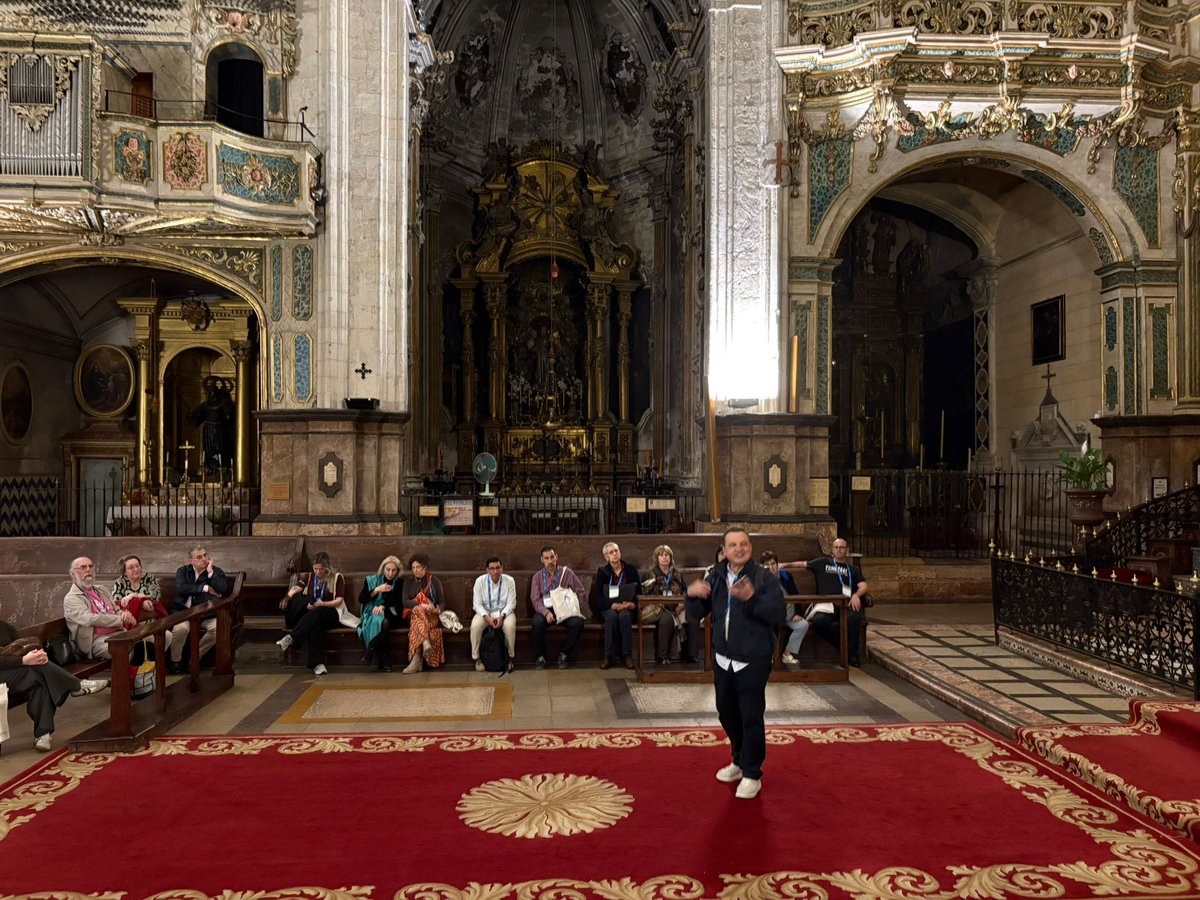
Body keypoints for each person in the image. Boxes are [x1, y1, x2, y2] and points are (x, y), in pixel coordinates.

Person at [686, 527, 785, 800]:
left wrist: (751, 598)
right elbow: (697, 613)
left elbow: (777, 614)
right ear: (725, 549)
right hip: (723, 659)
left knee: (751, 716)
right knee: (725, 712)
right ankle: (739, 760)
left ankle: (752, 773)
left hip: (752, 660)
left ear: (750, 547)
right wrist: (692, 594)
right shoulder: (716, 574)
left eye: (743, 544)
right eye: (733, 545)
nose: (739, 549)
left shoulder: (764, 577)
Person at [1, 599, 107, 752]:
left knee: (40, 680)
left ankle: (43, 734)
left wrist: (36, 655)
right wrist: (24, 660)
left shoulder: (6, 628)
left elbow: (21, 648)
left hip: (17, 674)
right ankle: (75, 686)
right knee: (35, 671)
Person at [791, 538, 868, 667]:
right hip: (826, 605)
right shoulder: (823, 563)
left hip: (845, 605)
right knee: (820, 621)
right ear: (832, 550)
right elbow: (801, 564)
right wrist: (781, 565)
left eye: (842, 547)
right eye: (836, 547)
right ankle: (845, 648)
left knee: (854, 618)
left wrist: (856, 595)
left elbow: (864, 586)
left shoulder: (853, 569)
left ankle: (853, 656)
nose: (839, 550)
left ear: (847, 550)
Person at [276, 552, 356, 676]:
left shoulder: (337, 577)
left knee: (318, 612)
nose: (318, 572)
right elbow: (296, 588)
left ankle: (293, 637)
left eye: (321, 569)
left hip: (332, 613)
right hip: (314, 615)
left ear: (327, 568)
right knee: (315, 626)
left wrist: (322, 604)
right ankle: (318, 665)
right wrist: (287, 597)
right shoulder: (309, 577)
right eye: (315, 569)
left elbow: (339, 601)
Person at [169, 545, 227, 674]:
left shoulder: (216, 572)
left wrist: (211, 572)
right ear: (191, 561)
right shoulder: (183, 571)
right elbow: (181, 588)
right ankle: (175, 661)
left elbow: (222, 589)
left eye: (205, 555)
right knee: (180, 629)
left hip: (207, 615)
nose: (204, 559)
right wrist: (205, 588)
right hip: (184, 613)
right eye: (199, 557)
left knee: (218, 628)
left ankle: (194, 659)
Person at [529, 546, 589, 669]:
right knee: (537, 623)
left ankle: (563, 654)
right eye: (546, 558)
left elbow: (581, 591)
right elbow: (535, 599)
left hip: (563, 609)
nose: (550, 561)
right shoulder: (537, 577)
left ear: (556, 557)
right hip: (546, 610)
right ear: (542, 560)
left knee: (578, 623)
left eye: (552, 557)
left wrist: (576, 609)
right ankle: (541, 657)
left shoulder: (567, 573)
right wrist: (546, 613)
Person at [64, 556, 135, 660]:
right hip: (95, 641)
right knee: (123, 649)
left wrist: (123, 614)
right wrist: (120, 619)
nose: (88, 570)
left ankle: (148, 675)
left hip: (118, 633)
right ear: (73, 574)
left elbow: (116, 610)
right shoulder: (71, 598)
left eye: (90, 566)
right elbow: (90, 619)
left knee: (151, 639)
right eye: (83, 567)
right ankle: (129, 676)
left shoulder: (101, 589)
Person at [643, 543, 701, 666]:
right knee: (666, 619)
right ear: (656, 558)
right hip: (660, 608)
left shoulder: (677, 573)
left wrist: (681, 603)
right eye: (661, 555)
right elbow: (646, 593)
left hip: (678, 607)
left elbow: (685, 591)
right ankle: (663, 656)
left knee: (693, 617)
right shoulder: (651, 574)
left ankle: (692, 655)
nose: (664, 557)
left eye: (667, 555)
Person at [111, 553, 172, 658]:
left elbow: (155, 598)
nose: (135, 569)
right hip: (131, 625)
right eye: (131, 567)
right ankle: (137, 669)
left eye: (137, 566)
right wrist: (141, 602)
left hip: (152, 623)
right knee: (133, 643)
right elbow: (117, 603)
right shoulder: (119, 582)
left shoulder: (149, 578)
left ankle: (155, 663)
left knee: (168, 636)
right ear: (124, 572)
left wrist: (132, 596)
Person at [591, 541, 640, 670]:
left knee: (625, 617)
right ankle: (608, 656)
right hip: (609, 608)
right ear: (606, 557)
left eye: (616, 551)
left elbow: (639, 593)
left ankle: (627, 655)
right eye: (611, 553)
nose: (615, 554)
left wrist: (632, 605)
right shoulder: (603, 572)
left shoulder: (630, 570)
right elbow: (598, 598)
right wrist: (611, 605)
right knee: (611, 616)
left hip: (627, 608)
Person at [356, 555, 404, 672]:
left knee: (385, 620)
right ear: (383, 569)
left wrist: (383, 606)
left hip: (392, 613)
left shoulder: (399, 583)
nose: (390, 573)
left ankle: (370, 649)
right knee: (382, 622)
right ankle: (384, 659)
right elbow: (362, 599)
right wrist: (377, 589)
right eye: (388, 569)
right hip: (374, 613)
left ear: (397, 571)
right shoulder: (372, 580)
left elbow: (398, 603)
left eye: (394, 570)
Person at [401, 553, 445, 674]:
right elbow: (405, 602)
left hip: (431, 617)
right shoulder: (408, 582)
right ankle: (425, 642)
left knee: (416, 623)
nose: (416, 570)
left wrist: (437, 609)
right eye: (413, 568)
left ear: (425, 567)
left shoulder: (434, 581)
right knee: (417, 610)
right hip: (413, 615)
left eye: (418, 567)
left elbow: (442, 602)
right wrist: (421, 605)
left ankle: (416, 660)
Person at [471, 556, 516, 672]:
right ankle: (477, 659)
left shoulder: (509, 581)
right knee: (475, 626)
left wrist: (503, 616)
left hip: (504, 612)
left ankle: (509, 657)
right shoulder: (480, 581)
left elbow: (511, 602)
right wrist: (487, 618)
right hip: (485, 613)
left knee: (510, 626)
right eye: (492, 568)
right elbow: (477, 604)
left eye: (497, 568)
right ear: (487, 570)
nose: (495, 571)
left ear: (502, 568)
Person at [760, 551, 806, 665]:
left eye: (773, 564)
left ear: (777, 564)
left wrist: (798, 613)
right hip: (770, 615)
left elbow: (796, 595)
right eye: (767, 565)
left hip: (789, 613)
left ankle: (787, 654)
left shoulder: (785, 575)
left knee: (803, 625)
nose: (771, 567)